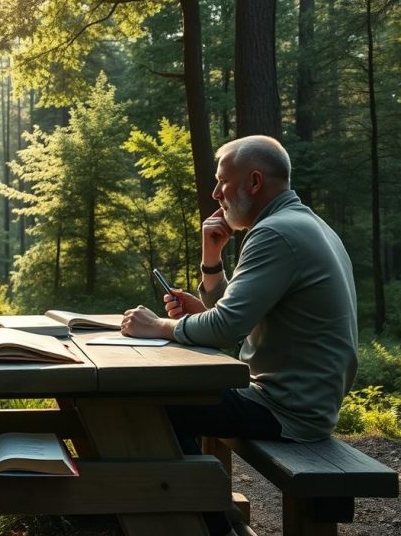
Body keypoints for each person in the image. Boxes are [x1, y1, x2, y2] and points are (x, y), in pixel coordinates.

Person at [121, 135, 358, 536]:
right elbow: (234, 323)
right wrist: (211, 265)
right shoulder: (307, 224)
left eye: (221, 182)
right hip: (302, 402)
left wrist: (157, 327)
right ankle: (207, 512)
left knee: (147, 406)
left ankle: (210, 525)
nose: (215, 194)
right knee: (169, 401)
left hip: (286, 408)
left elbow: (225, 329)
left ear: (253, 181)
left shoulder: (276, 233)